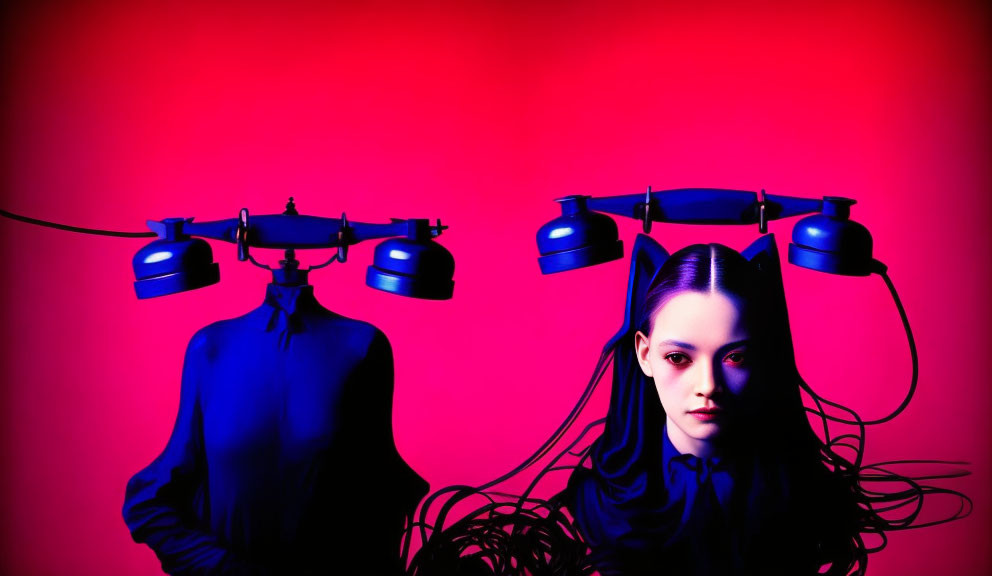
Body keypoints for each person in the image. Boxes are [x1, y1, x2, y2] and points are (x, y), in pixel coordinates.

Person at [408, 233, 968, 576]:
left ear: (767, 356)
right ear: (645, 354)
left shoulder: (803, 500)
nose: (708, 387)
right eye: (680, 358)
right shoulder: (600, 500)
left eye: (735, 357)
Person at [122, 278, 428, 575]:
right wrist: (223, 567)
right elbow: (150, 501)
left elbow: (383, 496)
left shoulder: (362, 347)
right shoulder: (210, 348)